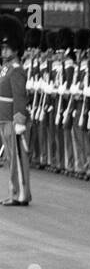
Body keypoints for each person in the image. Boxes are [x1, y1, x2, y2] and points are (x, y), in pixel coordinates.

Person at [0, 15, 31, 206]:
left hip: (12, 120)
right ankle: (14, 192)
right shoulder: (5, 68)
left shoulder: (17, 69)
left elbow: (20, 97)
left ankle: (22, 195)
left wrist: (19, 121)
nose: (3, 51)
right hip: (3, 118)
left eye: (6, 48)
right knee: (10, 160)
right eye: (2, 48)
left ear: (16, 48)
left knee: (18, 160)